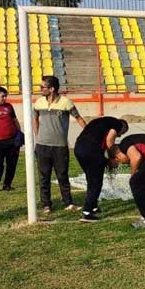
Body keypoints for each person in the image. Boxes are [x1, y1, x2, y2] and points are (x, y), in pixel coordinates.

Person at [32, 75, 87, 214]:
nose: (40, 89)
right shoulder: (38, 102)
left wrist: (89, 135)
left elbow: (78, 118)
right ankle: (46, 205)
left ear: (51, 89)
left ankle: (68, 202)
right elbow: (35, 119)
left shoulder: (66, 102)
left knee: (62, 175)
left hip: (60, 146)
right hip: (42, 146)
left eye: (42, 87)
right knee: (44, 176)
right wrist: (38, 137)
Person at [74, 116, 129, 223]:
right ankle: (87, 212)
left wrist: (107, 160)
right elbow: (109, 141)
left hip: (79, 148)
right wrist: (114, 157)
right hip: (91, 150)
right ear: (123, 126)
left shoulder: (101, 122)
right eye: (122, 132)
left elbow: (105, 142)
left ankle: (93, 205)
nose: (120, 135)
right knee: (96, 182)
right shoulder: (117, 124)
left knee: (91, 178)